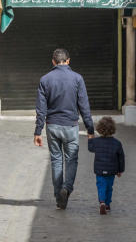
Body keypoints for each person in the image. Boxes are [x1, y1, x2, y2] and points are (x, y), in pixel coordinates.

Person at [33, 48, 95, 210]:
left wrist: (38, 131)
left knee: (56, 160)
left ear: (53, 62)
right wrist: (90, 128)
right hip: (71, 126)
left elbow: (41, 109)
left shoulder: (45, 80)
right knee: (71, 160)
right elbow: (84, 106)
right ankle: (66, 189)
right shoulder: (77, 79)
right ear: (68, 61)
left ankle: (58, 197)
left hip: (52, 126)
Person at [88, 116, 125, 215]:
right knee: (109, 187)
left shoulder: (96, 142)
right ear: (113, 129)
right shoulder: (117, 143)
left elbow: (90, 148)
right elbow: (121, 158)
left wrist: (90, 138)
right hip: (112, 170)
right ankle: (108, 204)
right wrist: (120, 170)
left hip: (99, 170)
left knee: (101, 186)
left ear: (99, 129)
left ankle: (102, 202)